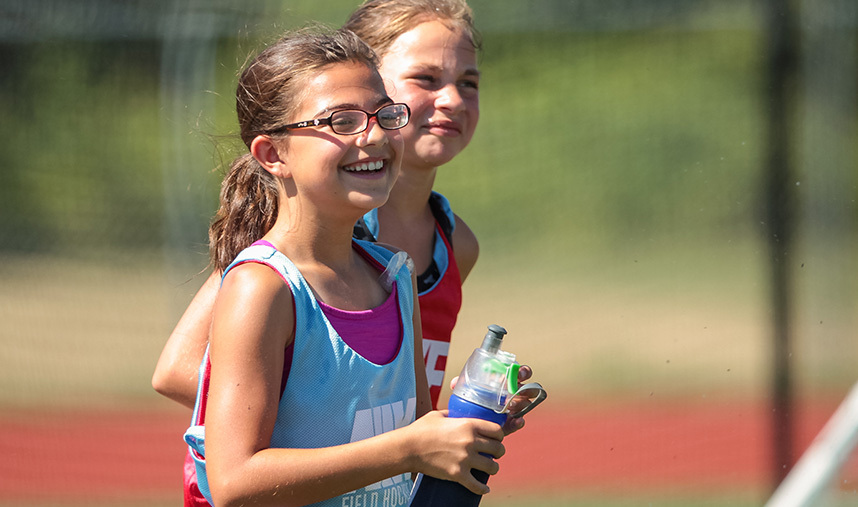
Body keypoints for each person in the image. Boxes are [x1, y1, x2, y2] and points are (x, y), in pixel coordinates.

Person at [183, 28, 506, 507]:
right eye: (343, 121)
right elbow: (235, 482)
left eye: (384, 114)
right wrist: (409, 449)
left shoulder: (395, 277)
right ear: (273, 154)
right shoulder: (263, 287)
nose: (374, 135)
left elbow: (412, 439)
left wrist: (460, 424)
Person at [153, 0, 522, 416]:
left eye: (469, 82)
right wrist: (353, 440)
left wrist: (463, 417)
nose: (453, 99)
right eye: (426, 78)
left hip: (378, 481)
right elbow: (179, 370)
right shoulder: (314, 227)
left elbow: (395, 408)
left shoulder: (457, 244)